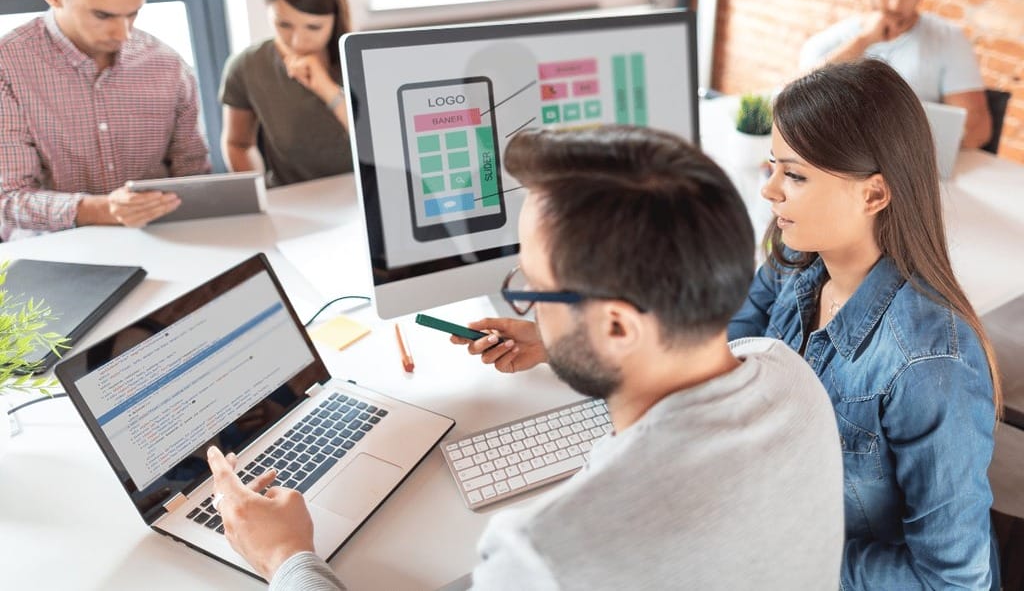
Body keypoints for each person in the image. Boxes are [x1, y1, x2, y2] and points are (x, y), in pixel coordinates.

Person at [206, 125, 845, 589]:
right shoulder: (788, 374)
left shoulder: (541, 554)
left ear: (619, 325)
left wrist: (286, 557)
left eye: (533, 289)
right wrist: (566, 342)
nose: (528, 307)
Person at [466, 60, 1002, 588]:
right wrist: (562, 337)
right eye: (772, 166)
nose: (769, 191)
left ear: (874, 194)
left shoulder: (931, 362)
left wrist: (770, 550)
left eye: (793, 175)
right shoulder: (797, 266)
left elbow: (954, 581)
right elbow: (693, 350)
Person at [0, 0, 211, 241]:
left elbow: (193, 176)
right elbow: (9, 199)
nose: (123, 33)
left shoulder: (168, 66)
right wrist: (103, 210)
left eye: (133, 13)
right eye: (103, 15)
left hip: (162, 243)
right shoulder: (8, 65)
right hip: (52, 255)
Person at [799, 0, 992, 149]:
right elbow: (797, 97)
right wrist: (864, 41)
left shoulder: (949, 39)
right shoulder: (828, 42)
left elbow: (978, 130)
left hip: (912, 164)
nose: (895, 4)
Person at [220, 0, 354, 188]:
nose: (297, 41)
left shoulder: (359, 58)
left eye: (313, 27)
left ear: (335, 18)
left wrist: (328, 90)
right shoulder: (247, 67)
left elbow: (378, 147)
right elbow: (238, 144)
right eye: (284, 24)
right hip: (292, 202)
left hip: (360, 196)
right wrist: (261, 194)